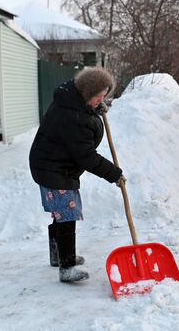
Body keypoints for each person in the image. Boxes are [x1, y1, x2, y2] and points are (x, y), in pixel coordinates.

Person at [29, 67, 124, 283]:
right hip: (53, 169)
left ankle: (58, 256)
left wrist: (95, 109)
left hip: (51, 165)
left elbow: (84, 114)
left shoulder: (72, 100)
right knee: (67, 214)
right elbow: (86, 156)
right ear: (87, 93)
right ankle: (67, 266)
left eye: (104, 96)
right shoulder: (73, 117)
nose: (102, 100)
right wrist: (114, 174)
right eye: (98, 96)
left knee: (60, 213)